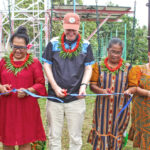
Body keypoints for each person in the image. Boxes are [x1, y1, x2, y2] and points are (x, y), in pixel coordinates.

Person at [42, 12, 94, 150]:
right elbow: (47, 65)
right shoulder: (53, 43)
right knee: (54, 136)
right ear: (63, 27)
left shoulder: (86, 45)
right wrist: (54, 86)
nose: (70, 32)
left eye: (73, 29)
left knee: (76, 137)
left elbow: (88, 68)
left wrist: (83, 86)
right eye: (68, 29)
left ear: (78, 27)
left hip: (76, 98)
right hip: (54, 97)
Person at [0, 26, 47, 150]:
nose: (18, 50)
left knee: (25, 141)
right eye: (15, 47)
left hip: (26, 108)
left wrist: (28, 91)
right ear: (11, 46)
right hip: (7, 107)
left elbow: (40, 84)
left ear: (27, 47)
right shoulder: (4, 62)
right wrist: (1, 87)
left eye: (21, 47)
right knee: (7, 141)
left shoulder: (34, 63)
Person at [87, 38, 133, 150]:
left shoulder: (128, 68)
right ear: (108, 50)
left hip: (120, 109)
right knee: (101, 130)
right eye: (113, 51)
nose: (115, 55)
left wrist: (129, 91)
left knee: (117, 131)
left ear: (121, 52)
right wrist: (102, 91)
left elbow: (133, 86)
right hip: (102, 109)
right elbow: (92, 85)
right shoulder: (98, 67)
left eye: (118, 52)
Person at [126, 60, 150, 149]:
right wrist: (148, 93)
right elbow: (133, 87)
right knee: (145, 137)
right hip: (143, 109)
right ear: (149, 54)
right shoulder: (139, 69)